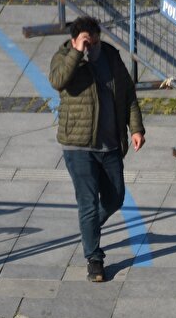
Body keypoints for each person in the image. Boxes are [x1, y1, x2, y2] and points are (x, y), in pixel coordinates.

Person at [49, 15, 145, 283]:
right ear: (74, 40)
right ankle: (95, 258)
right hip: (78, 145)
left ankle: (88, 228)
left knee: (115, 198)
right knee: (89, 204)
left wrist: (136, 128)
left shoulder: (111, 57)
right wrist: (77, 54)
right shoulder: (64, 57)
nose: (91, 47)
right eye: (85, 42)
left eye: (94, 41)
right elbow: (58, 81)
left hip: (110, 143)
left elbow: (128, 94)